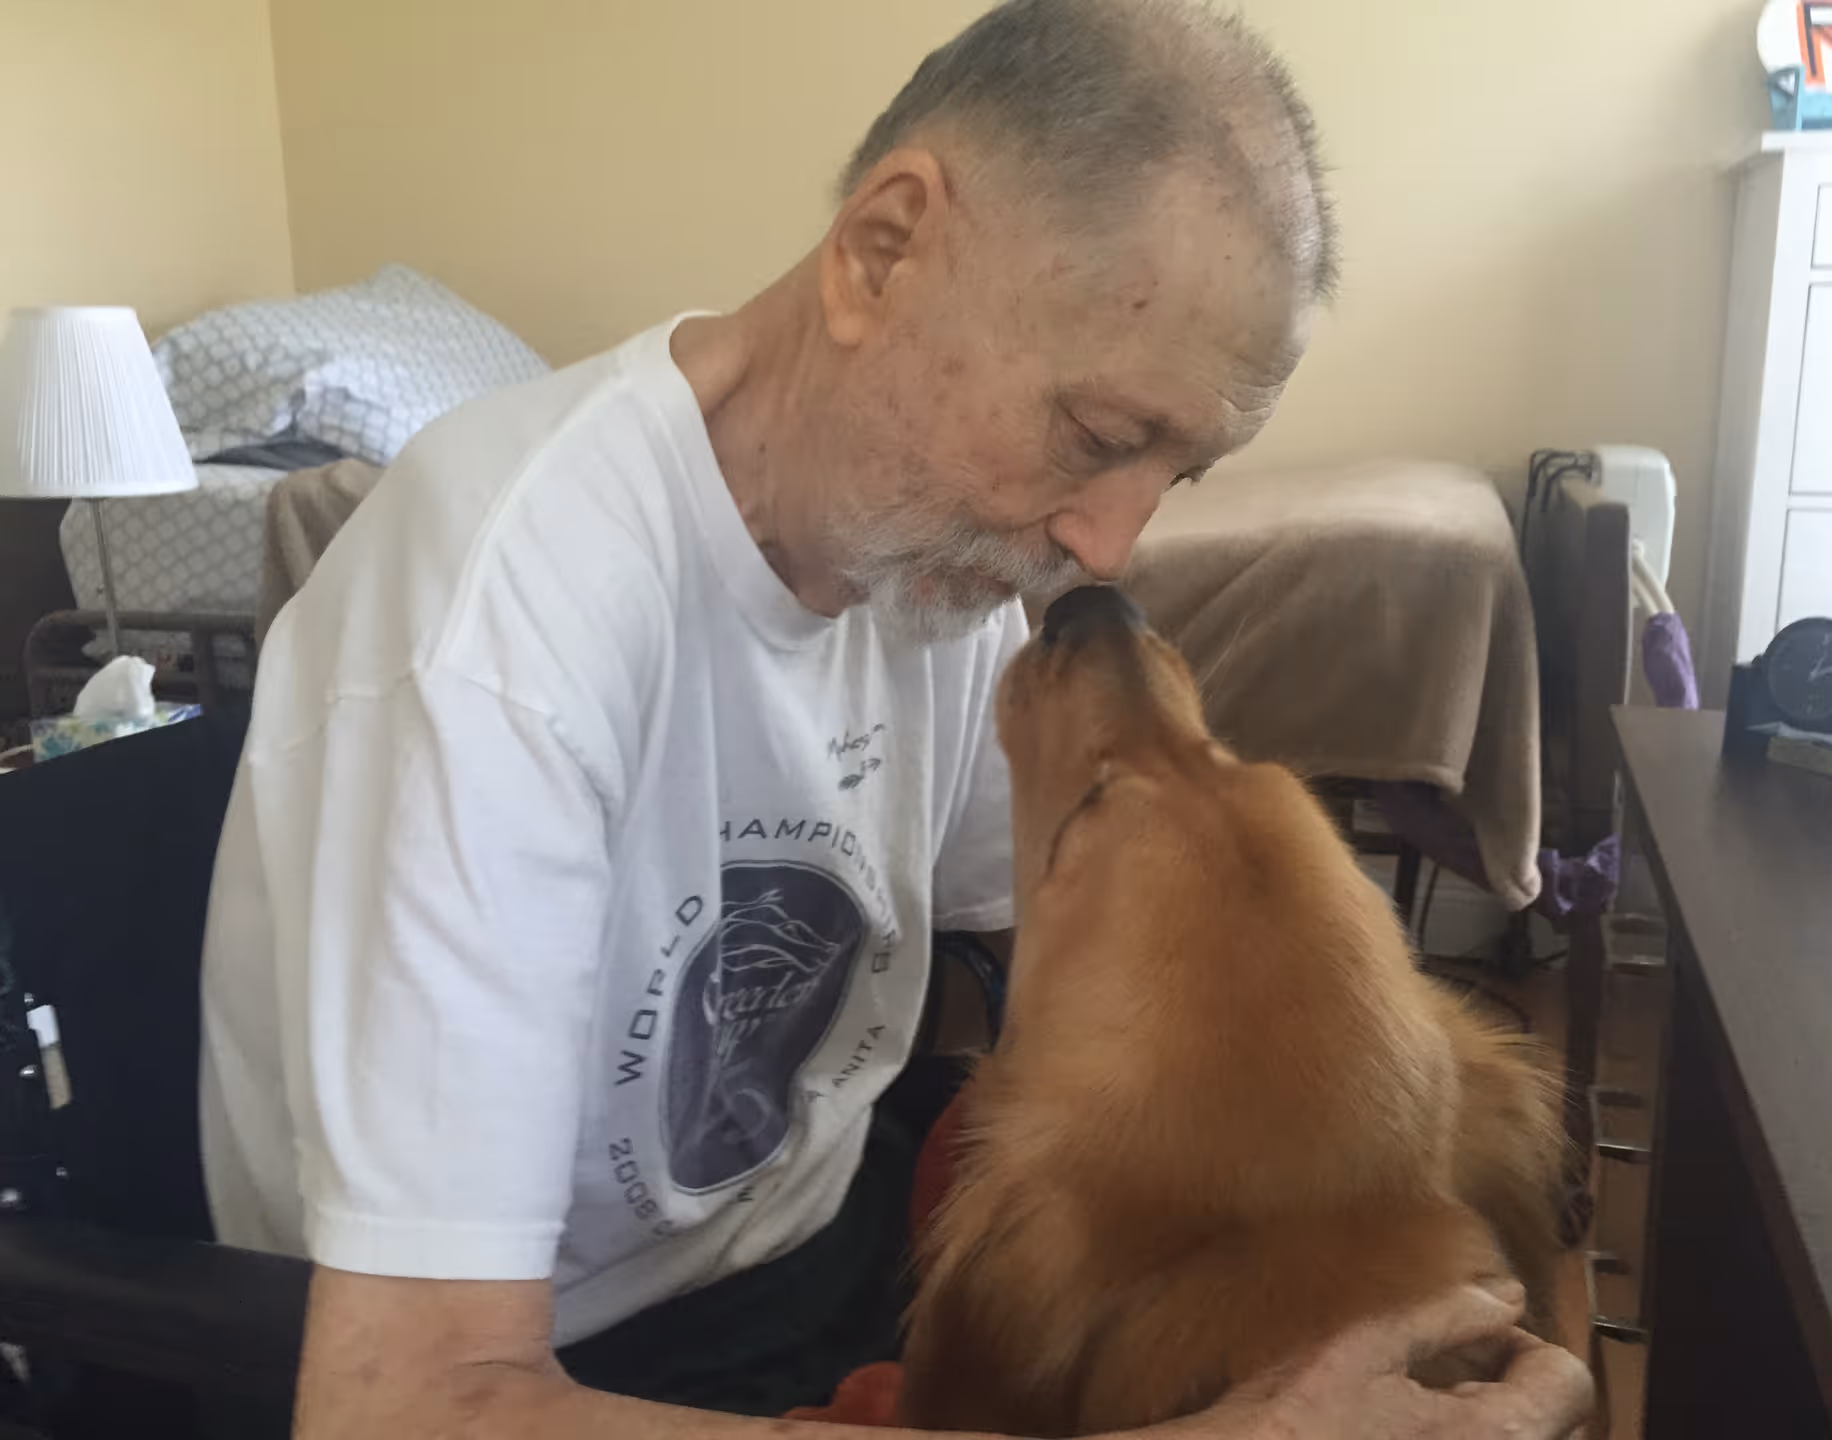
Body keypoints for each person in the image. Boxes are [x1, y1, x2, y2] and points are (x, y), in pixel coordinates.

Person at [197, 2, 1594, 1437]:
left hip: (823, 1234)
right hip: (586, 1360)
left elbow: (1039, 932)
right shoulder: (496, 631)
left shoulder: (932, 556)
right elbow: (399, 1407)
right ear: (882, 253)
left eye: (1174, 474)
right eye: (1100, 437)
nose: (1109, 547)